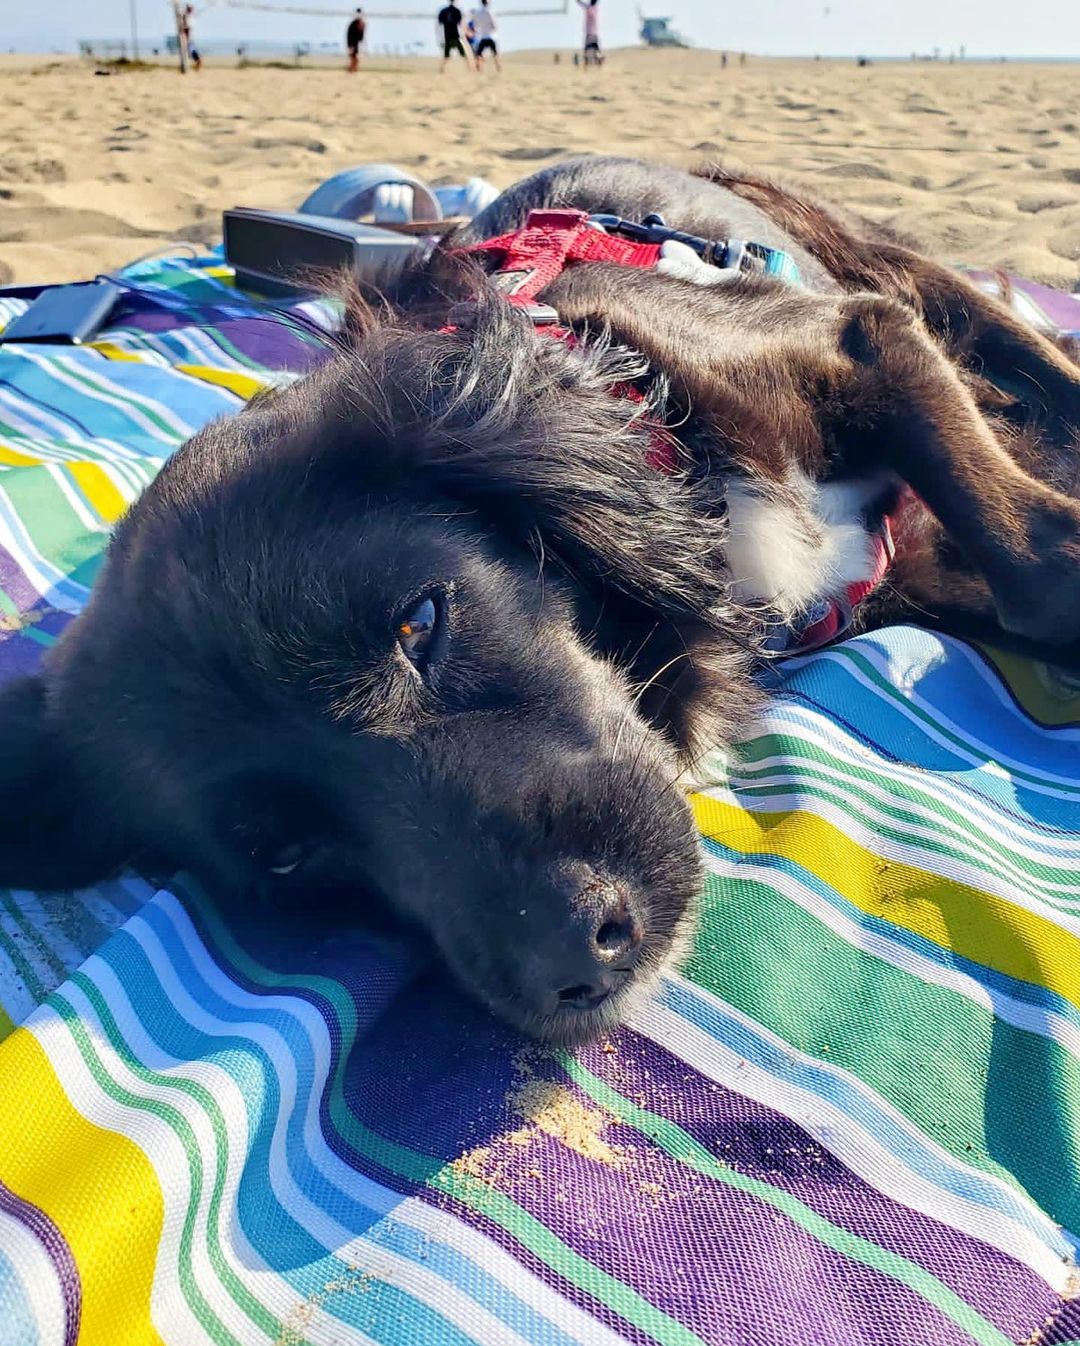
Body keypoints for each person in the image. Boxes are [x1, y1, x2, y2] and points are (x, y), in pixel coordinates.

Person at [437, 1, 472, 71]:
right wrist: (466, 33)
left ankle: (441, 69)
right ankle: (471, 69)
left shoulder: (443, 11)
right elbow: (461, 24)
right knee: (466, 55)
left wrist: (439, 38)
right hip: (457, 37)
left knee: (446, 56)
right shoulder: (457, 11)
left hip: (447, 37)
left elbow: (439, 23)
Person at [469, 0, 500, 70]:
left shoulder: (478, 13)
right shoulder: (490, 11)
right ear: (488, 2)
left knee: (479, 54)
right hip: (492, 36)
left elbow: (475, 26)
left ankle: (479, 68)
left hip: (483, 37)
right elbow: (494, 25)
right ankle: (498, 67)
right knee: (495, 54)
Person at [576, 0, 601, 67]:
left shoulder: (588, 7)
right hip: (595, 33)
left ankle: (586, 63)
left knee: (586, 49)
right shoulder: (595, 9)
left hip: (589, 33)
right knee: (596, 49)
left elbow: (579, 2)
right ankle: (598, 60)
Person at [180, 4, 202, 71]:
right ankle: (197, 64)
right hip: (189, 40)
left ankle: (197, 64)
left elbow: (187, 28)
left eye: (189, 9)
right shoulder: (188, 17)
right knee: (192, 52)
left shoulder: (189, 18)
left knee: (192, 52)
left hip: (189, 40)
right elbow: (185, 27)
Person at [346, 8, 365, 72]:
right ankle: (352, 68)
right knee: (353, 56)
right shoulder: (353, 24)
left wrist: (361, 40)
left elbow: (361, 34)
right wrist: (349, 44)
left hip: (355, 42)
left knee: (354, 56)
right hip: (352, 42)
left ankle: (353, 68)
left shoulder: (361, 23)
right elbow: (349, 34)